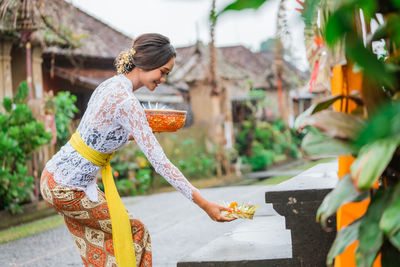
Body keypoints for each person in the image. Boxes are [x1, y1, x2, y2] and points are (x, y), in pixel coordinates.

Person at [40, 33, 234, 267]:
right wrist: (206, 205)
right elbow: (161, 163)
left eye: (166, 74)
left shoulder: (110, 85)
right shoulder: (127, 102)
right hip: (67, 187)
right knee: (135, 234)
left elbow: (99, 135)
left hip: (54, 178)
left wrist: (141, 132)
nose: (163, 78)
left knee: (107, 248)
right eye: (163, 71)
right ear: (147, 62)